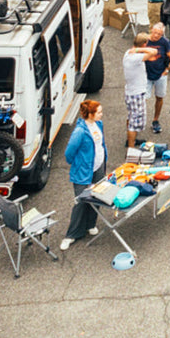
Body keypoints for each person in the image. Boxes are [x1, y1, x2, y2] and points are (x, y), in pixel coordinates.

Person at [58, 100, 105, 251]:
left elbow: (100, 144)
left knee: (97, 197)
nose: (101, 114)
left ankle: (90, 224)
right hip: (84, 171)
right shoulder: (79, 131)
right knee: (81, 201)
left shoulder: (99, 124)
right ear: (90, 114)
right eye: (98, 112)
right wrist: (79, 163)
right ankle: (71, 235)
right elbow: (69, 153)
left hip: (98, 167)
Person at [120, 34, 152, 150]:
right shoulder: (135, 57)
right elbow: (153, 52)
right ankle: (131, 149)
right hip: (136, 94)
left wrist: (137, 49)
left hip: (131, 92)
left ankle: (131, 140)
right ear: (143, 44)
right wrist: (140, 49)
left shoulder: (129, 53)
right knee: (134, 123)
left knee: (131, 116)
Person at [143, 23, 170, 134]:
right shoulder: (145, 40)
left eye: (159, 34)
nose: (156, 36)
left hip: (160, 74)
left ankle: (155, 120)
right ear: (151, 30)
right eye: (155, 33)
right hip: (146, 75)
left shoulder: (164, 42)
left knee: (159, 98)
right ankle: (141, 120)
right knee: (143, 99)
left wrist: (166, 70)